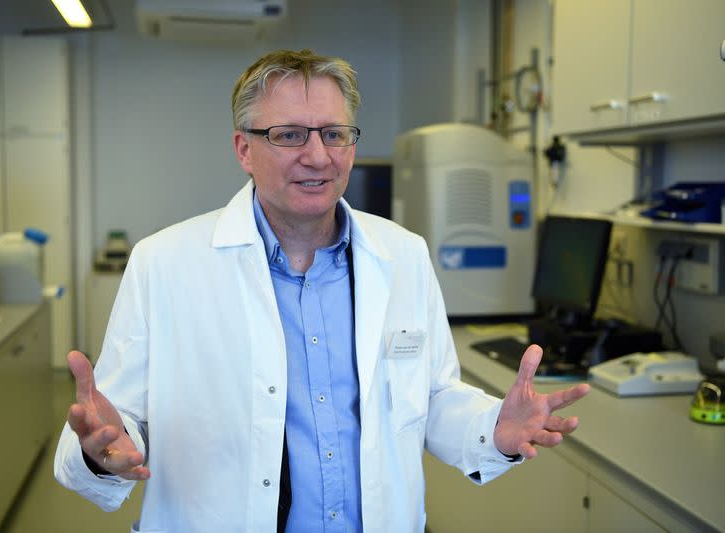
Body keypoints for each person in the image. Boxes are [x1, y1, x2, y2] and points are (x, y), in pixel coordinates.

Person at [54, 48, 590, 532]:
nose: (318, 156)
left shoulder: (403, 255)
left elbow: (431, 397)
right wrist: (102, 453)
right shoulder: (164, 263)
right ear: (244, 149)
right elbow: (114, 420)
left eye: (334, 134)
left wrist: (492, 428)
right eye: (289, 135)